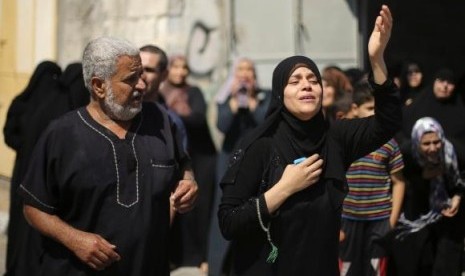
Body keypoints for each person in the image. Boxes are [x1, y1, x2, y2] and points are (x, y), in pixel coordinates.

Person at [218, 5, 401, 275]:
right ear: (280, 94)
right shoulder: (261, 144)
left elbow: (388, 122)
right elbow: (228, 221)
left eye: (313, 79)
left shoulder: (335, 137)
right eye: (295, 81)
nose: (306, 85)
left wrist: (376, 59)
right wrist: (284, 188)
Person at [18, 37, 198, 275]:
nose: (142, 86)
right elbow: (33, 207)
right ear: (99, 86)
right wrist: (75, 239)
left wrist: (189, 180)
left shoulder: (160, 120)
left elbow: (182, 161)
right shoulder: (61, 135)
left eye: (141, 75)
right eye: (130, 79)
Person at [208, 57, 271, 275]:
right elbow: (222, 125)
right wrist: (235, 101)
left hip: (258, 163)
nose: (245, 75)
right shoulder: (225, 99)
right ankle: (220, 265)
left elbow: (267, 121)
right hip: (229, 163)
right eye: (240, 70)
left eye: (249, 70)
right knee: (226, 208)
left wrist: (253, 103)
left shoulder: (265, 97)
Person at [338, 82, 405, 276]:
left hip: (379, 220)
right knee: (346, 269)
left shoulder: (389, 144)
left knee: (376, 270)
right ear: (355, 109)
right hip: (347, 220)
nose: (374, 114)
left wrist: (391, 222)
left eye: (377, 109)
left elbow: (399, 182)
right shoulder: (343, 141)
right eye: (369, 108)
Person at [160, 54, 217, 272]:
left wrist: (169, 115)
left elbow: (198, 118)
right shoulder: (160, 93)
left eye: (184, 67)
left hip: (199, 159)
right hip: (174, 157)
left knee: (199, 209)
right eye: (176, 67)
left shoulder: (193, 92)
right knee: (176, 206)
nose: (181, 72)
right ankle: (176, 256)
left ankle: (201, 257)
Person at [389, 117, 465, 276]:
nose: (433, 148)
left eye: (437, 142)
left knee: (447, 262)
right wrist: (422, 176)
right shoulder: (406, 154)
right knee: (417, 260)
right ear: (417, 142)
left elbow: (461, 180)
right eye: (426, 144)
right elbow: (397, 182)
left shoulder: (455, 152)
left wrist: (457, 197)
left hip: (449, 211)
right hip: (417, 211)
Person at [400, 67, 465, 168]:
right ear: (434, 82)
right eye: (441, 81)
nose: (445, 86)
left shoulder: (459, 111)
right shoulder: (417, 106)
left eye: (450, 82)